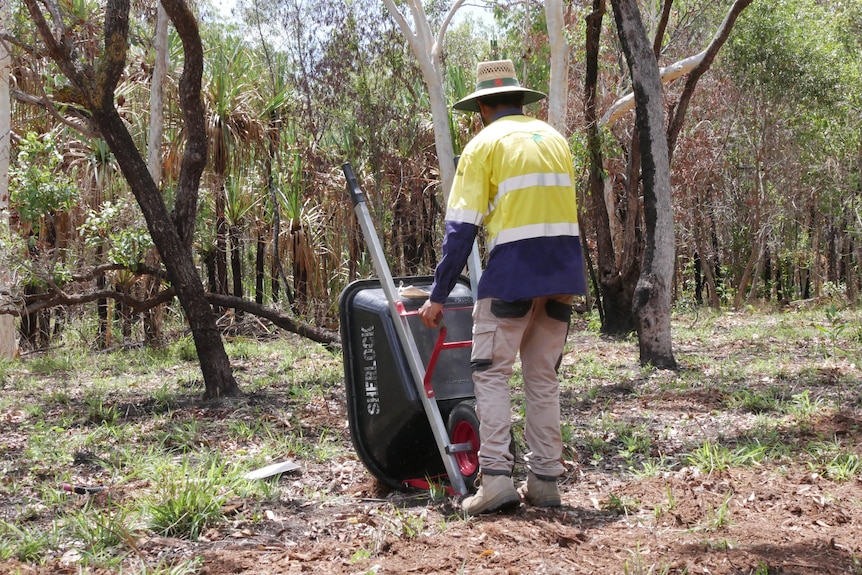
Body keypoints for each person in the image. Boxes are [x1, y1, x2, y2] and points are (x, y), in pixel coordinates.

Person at [418, 59, 587, 515]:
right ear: (519, 100)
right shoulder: (554, 140)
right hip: (563, 275)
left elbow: (461, 232)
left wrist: (437, 296)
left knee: (491, 373)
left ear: (482, 109)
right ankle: (546, 480)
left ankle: (495, 478)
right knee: (542, 377)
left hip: (512, 275)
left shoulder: (483, 144)